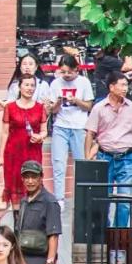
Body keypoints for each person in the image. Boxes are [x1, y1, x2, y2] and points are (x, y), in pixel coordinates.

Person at [85, 72, 132, 228]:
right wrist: (87, 157)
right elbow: (90, 134)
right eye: (122, 85)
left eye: (126, 85)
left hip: (126, 158)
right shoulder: (99, 108)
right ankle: (105, 236)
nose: (125, 88)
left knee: (124, 202)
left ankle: (119, 238)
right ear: (111, 87)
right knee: (103, 201)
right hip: (104, 157)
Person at [46, 54, 94, 201]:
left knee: (81, 163)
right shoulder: (55, 84)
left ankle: (81, 198)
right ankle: (59, 199)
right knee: (58, 163)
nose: (66, 75)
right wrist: (58, 103)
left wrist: (76, 101)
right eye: (63, 72)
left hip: (79, 127)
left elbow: (88, 106)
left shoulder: (84, 82)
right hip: (61, 126)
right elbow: (52, 110)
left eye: (69, 72)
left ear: (76, 70)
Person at [13, 161, 63, 264]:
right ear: (22, 179)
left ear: (41, 178)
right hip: (23, 261)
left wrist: (49, 263)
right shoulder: (24, 201)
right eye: (26, 177)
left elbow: (53, 235)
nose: (30, 181)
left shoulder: (49, 202)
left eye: (34, 177)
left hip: (39, 263)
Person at [0, 75, 48, 210]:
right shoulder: (10, 107)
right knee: (15, 186)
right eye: (26, 85)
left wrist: (39, 136)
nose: (30, 88)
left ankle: (32, 219)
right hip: (13, 153)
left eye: (32, 85)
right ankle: (17, 223)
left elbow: (45, 131)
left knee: (33, 181)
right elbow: (4, 133)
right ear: (19, 87)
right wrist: (0, 156)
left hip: (33, 152)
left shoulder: (40, 108)